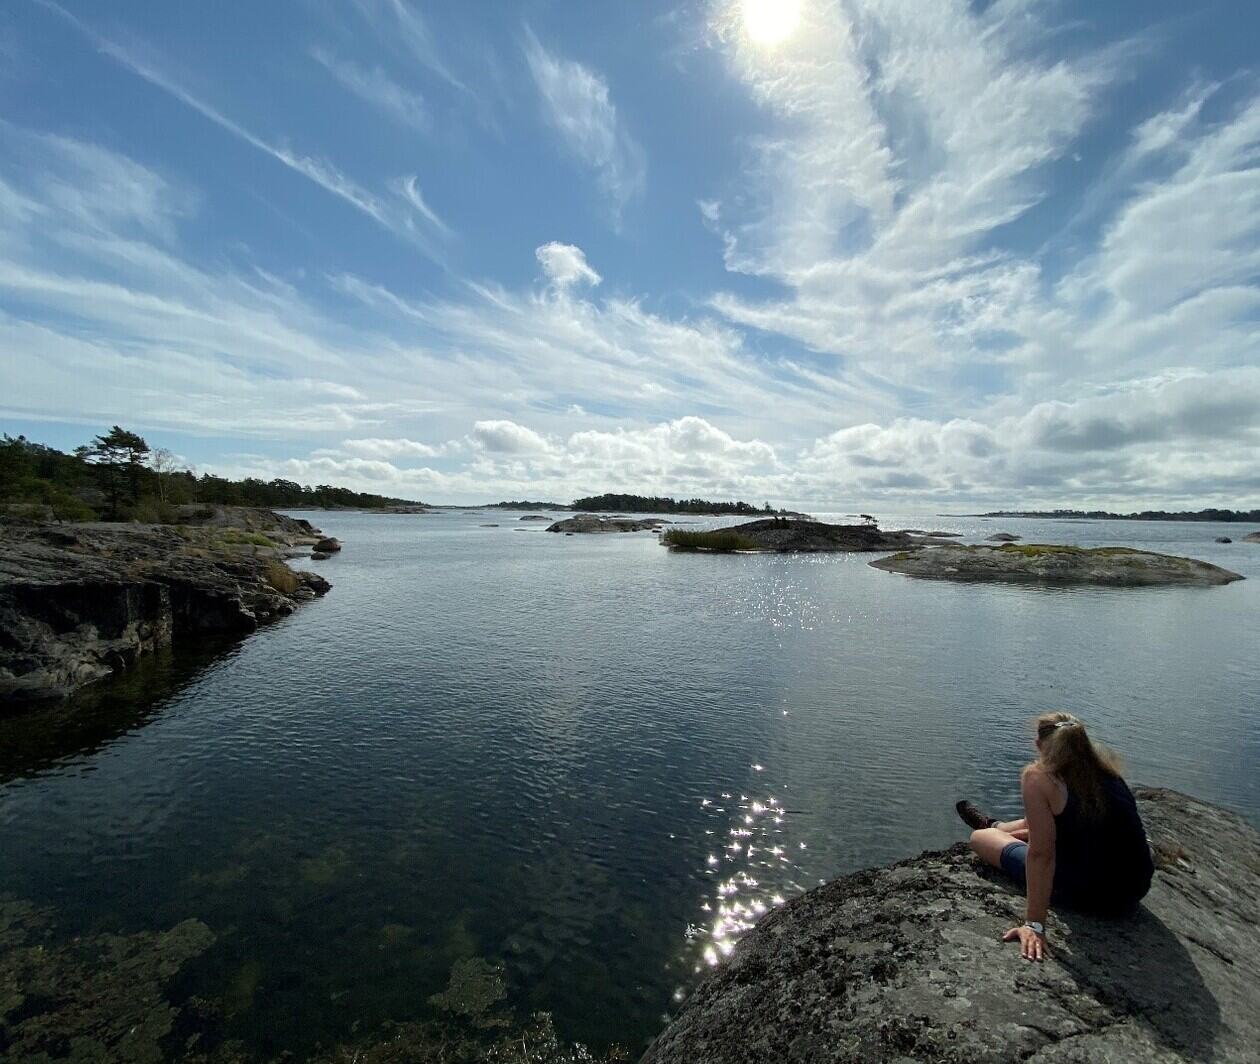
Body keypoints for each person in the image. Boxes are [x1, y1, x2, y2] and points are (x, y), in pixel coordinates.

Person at [955, 712, 1155, 962]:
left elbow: (1041, 855)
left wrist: (1034, 925)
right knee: (1042, 823)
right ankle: (997, 825)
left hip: (1088, 894)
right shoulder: (1108, 772)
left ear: (1039, 746)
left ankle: (990, 829)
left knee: (979, 839)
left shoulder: (1038, 777)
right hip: (1133, 890)